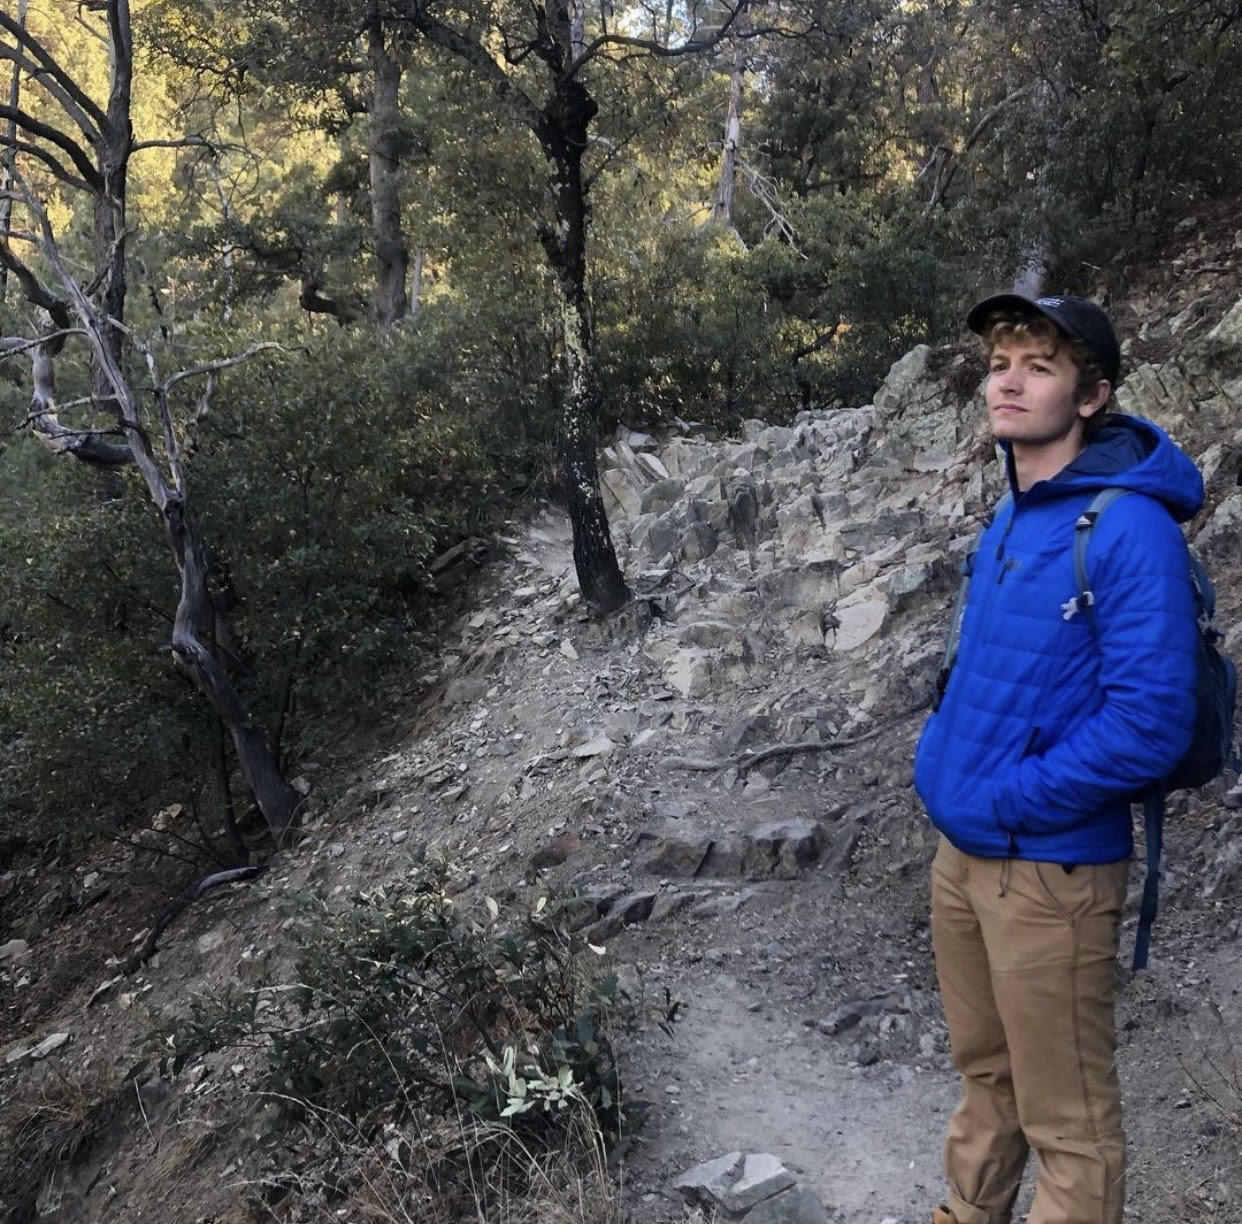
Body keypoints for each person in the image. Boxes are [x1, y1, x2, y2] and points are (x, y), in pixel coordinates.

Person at [913, 293, 1203, 1224]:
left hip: (1050, 872)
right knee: (985, 1080)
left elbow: (1151, 724)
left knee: (1067, 1121)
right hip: (965, 857)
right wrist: (947, 773)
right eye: (1002, 360)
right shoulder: (1018, 512)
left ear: (1091, 395)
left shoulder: (1128, 529)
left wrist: (1007, 799)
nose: (1009, 379)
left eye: (1039, 365)